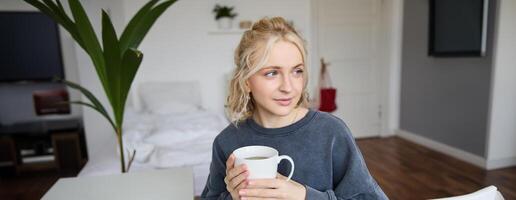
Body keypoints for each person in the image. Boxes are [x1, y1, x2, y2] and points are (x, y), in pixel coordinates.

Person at [201, 16, 387, 200]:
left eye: (297, 71)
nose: (288, 87)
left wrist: (304, 196)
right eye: (272, 73)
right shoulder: (226, 142)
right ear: (246, 81)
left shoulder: (331, 132)